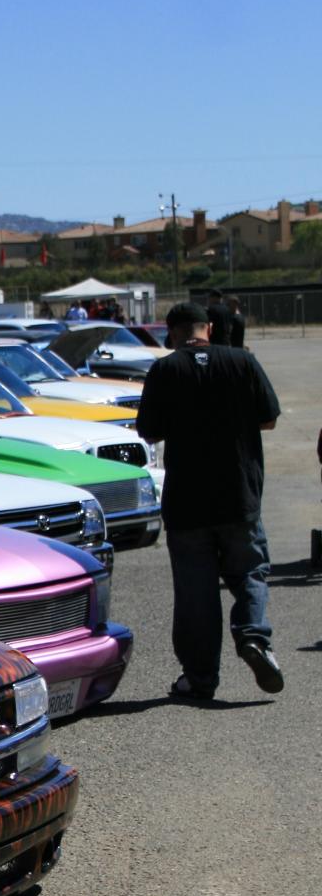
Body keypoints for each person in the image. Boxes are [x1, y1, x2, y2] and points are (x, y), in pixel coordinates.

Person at [136, 301, 282, 702]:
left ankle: (200, 678)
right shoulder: (242, 362)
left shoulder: (165, 370)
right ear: (210, 329)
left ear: (171, 334)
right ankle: (254, 638)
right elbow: (269, 418)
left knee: (196, 595)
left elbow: (149, 431)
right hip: (239, 493)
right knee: (250, 573)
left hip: (187, 503)